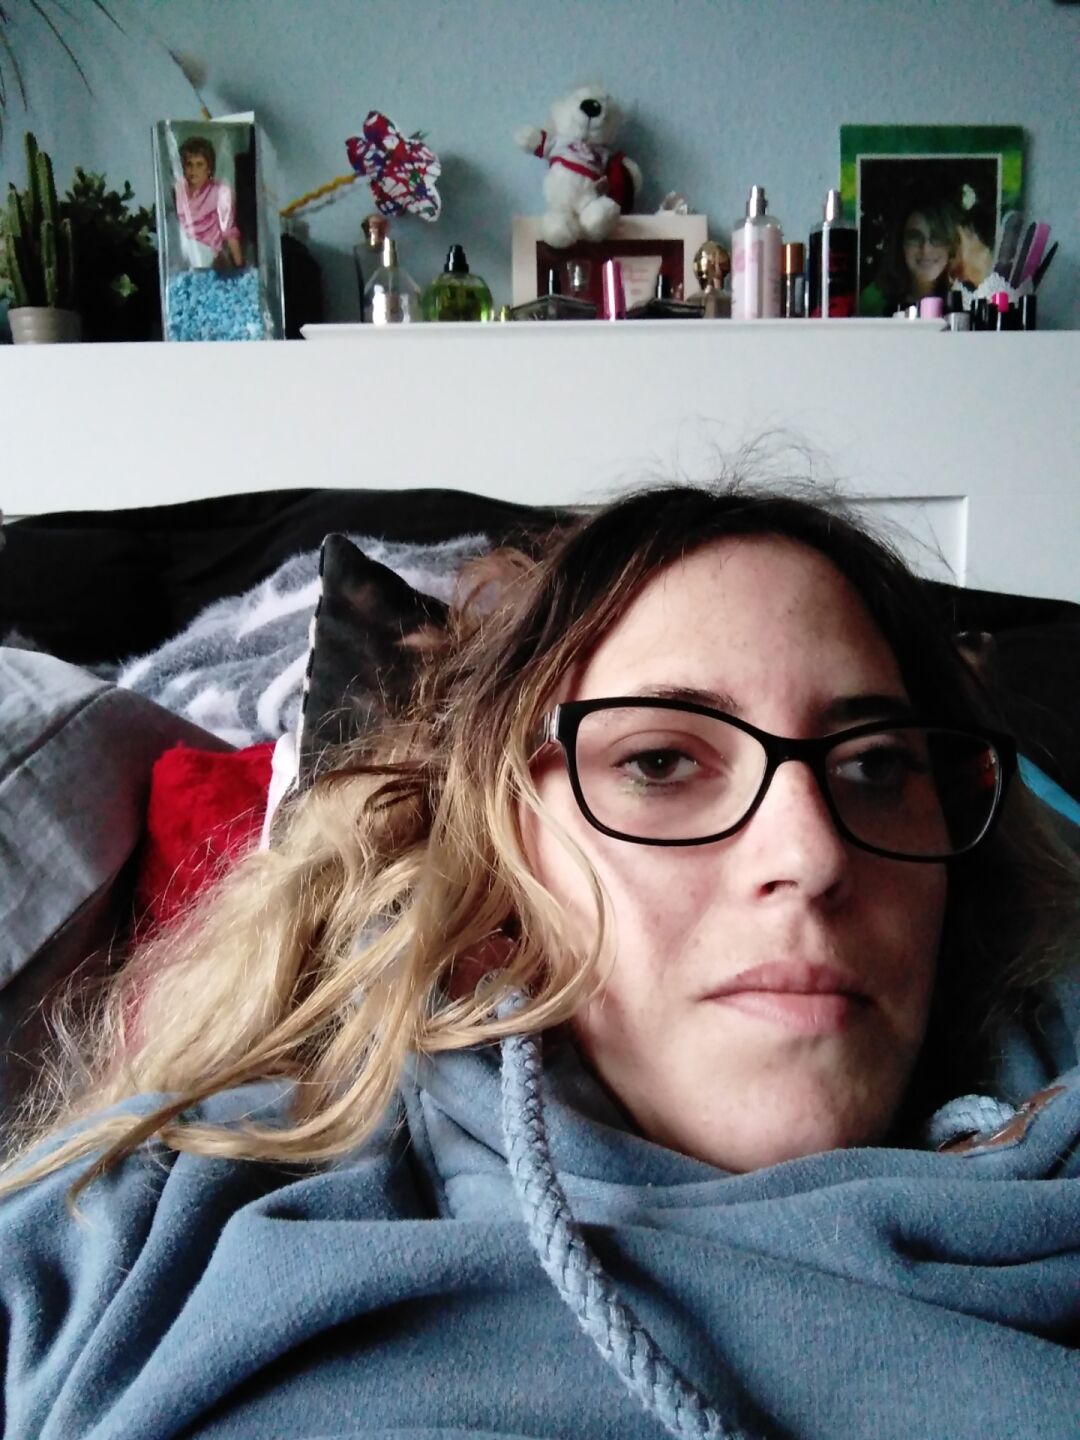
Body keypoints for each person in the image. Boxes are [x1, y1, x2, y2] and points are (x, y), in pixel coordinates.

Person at [2, 482, 1079, 1440]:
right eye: (661, 761)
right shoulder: (157, 1217)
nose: (812, 855)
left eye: (877, 766)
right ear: (497, 853)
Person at [859, 196, 963, 316]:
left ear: (950, 246)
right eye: (914, 237)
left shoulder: (965, 300)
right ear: (900, 245)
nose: (926, 249)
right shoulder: (874, 300)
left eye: (937, 238)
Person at [174, 135, 244, 269]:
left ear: (209, 167)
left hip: (207, 255)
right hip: (182, 255)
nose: (193, 170)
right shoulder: (178, 190)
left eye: (199, 164)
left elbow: (229, 232)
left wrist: (240, 267)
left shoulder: (220, 191)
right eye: (189, 164)